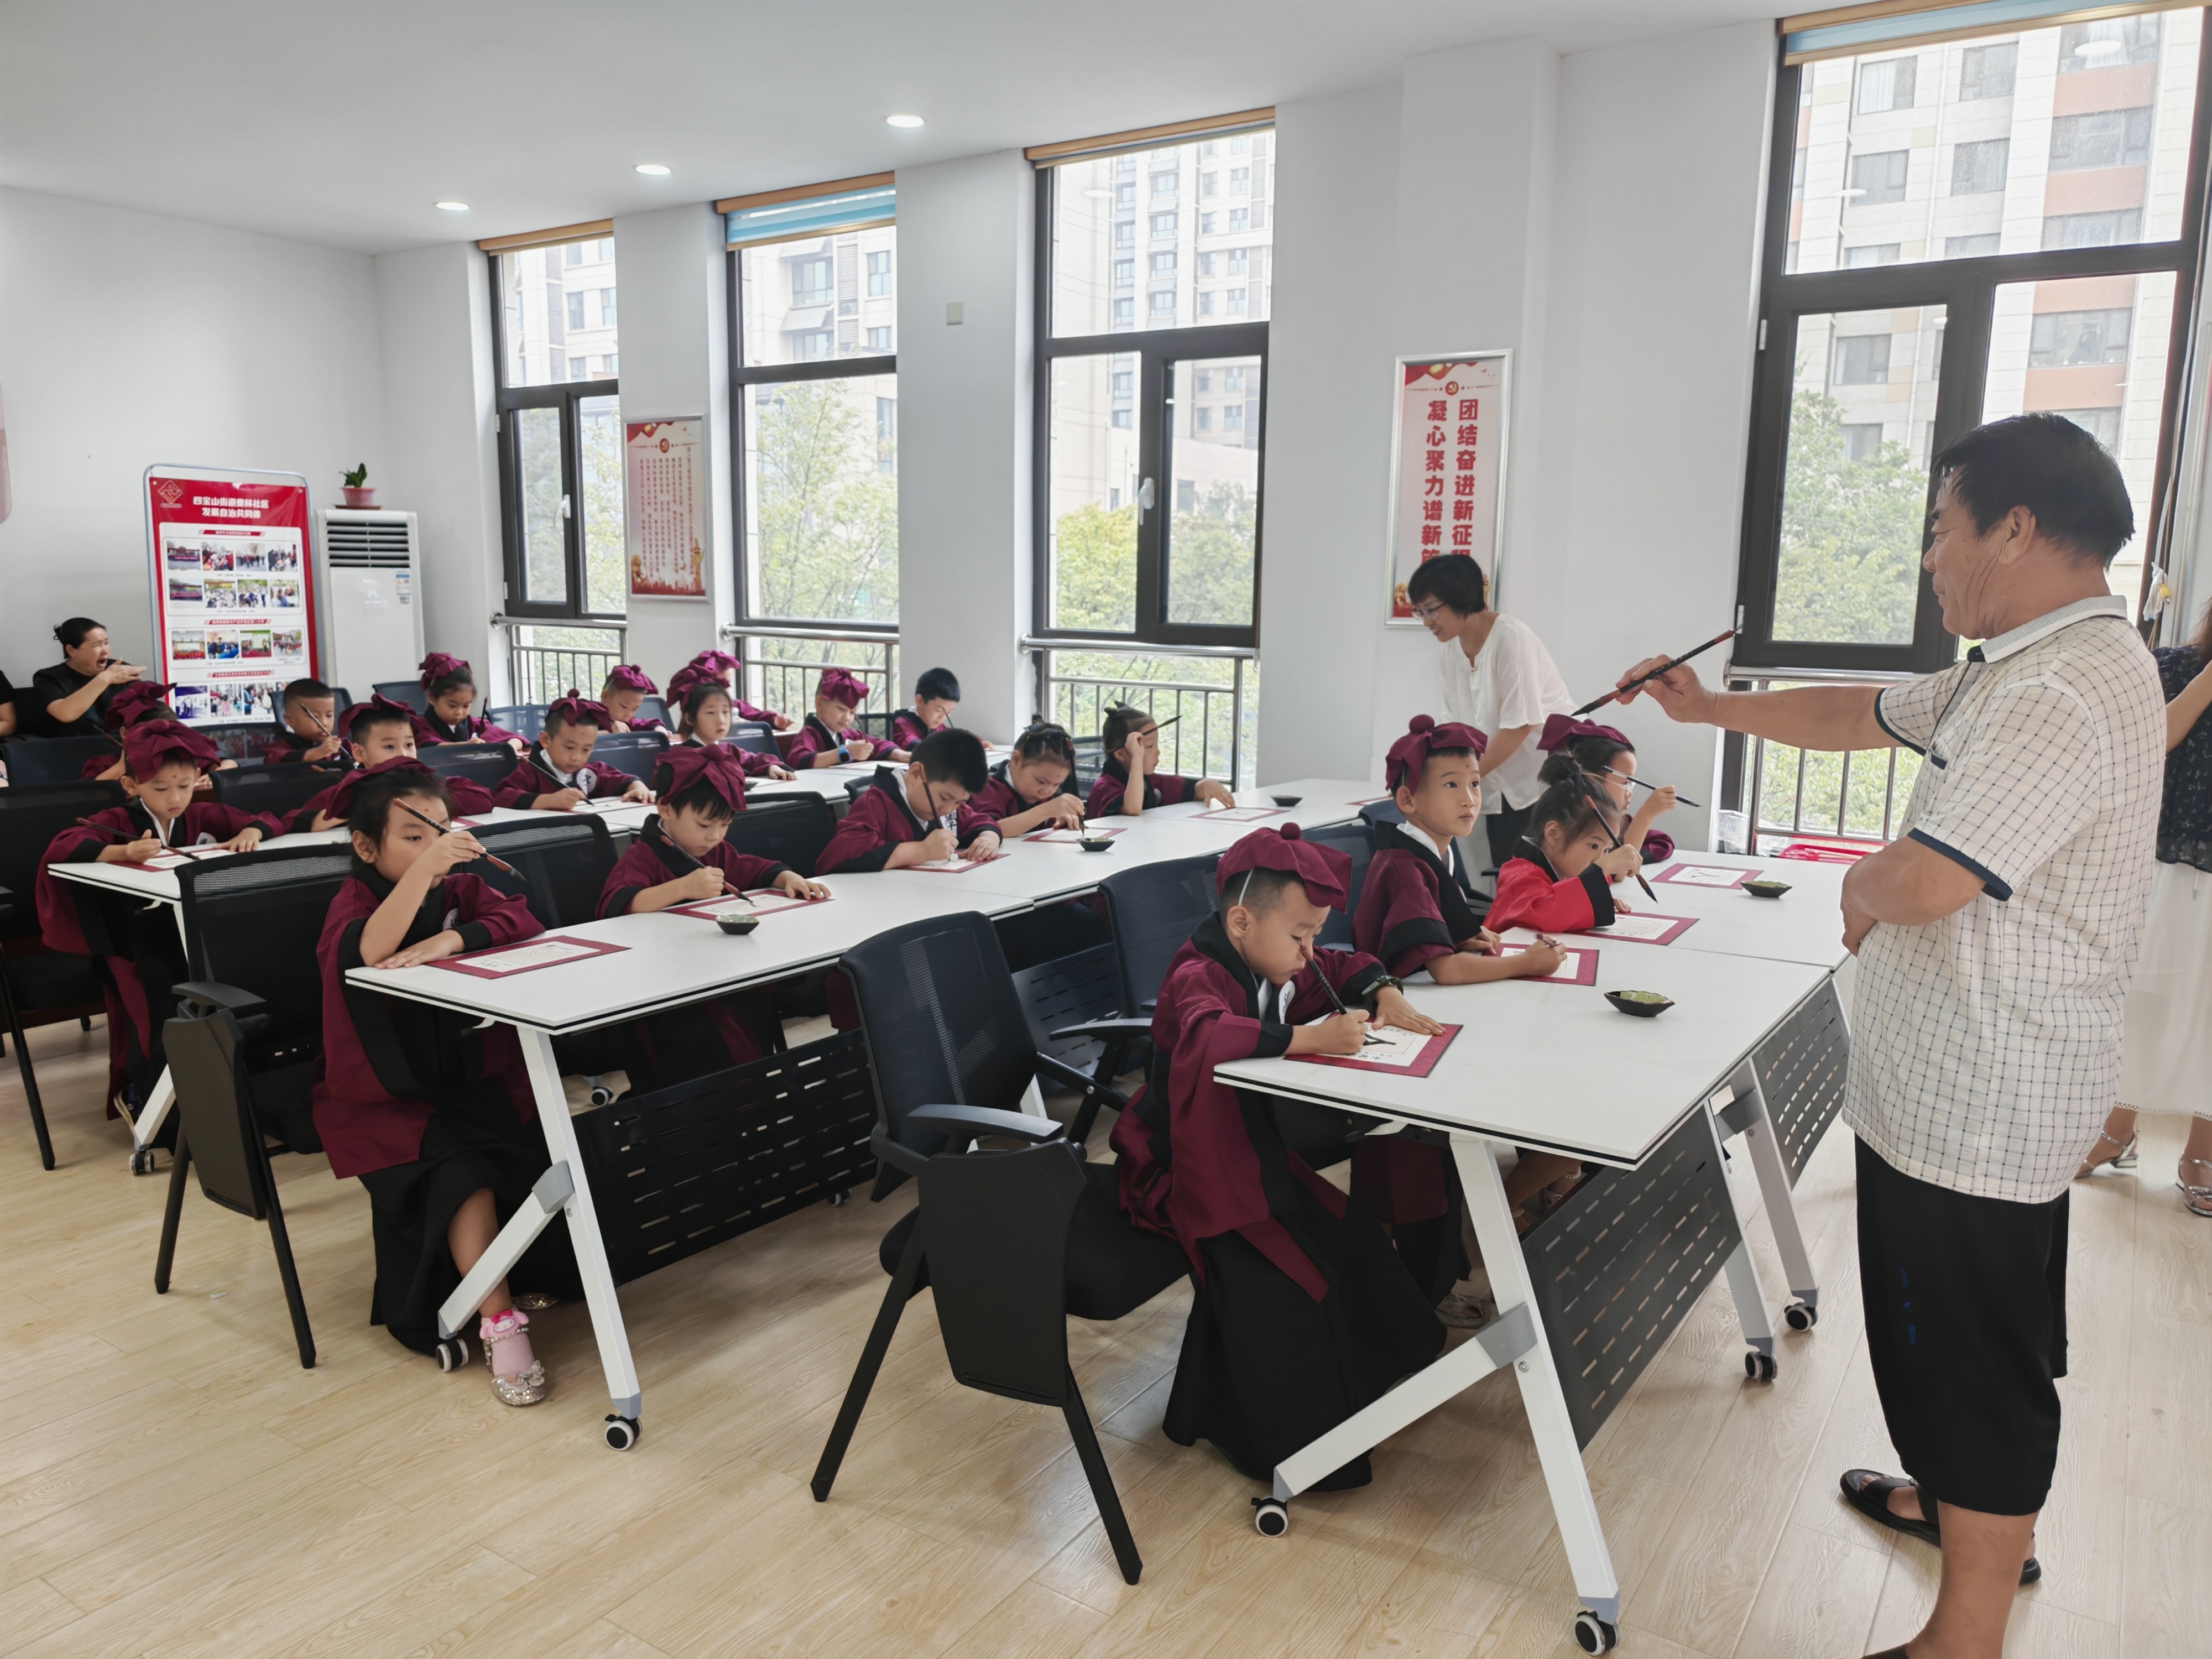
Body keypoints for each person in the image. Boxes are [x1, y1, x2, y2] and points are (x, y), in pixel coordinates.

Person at [1615, 414, 2163, 1658]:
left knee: (1966, 1358)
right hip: (1991, 1081)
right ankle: (1964, 1509)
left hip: (1978, 1097)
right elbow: (1863, 712)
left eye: (1938, 528)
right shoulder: (2030, 660)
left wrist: (1859, 886)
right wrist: (1709, 707)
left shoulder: (2056, 689)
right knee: (1986, 1332)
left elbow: (1926, 879)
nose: (1928, 559)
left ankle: (1962, 1633)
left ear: (2013, 529)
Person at [1109, 823, 1448, 1489]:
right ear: (1240, 922)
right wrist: (1310, 1039)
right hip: (1184, 1167)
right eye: (1299, 936)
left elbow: (1343, 966)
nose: (1309, 952)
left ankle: (1373, 1389)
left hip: (1248, 1149)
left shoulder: (1272, 963)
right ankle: (1302, 1453)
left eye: (1314, 934)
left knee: (1352, 1234)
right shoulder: (1197, 974)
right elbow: (1208, 1035)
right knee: (1294, 1287)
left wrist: (1385, 990)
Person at [312, 766, 573, 1402]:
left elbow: (521, 919)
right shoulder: (354, 902)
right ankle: (498, 1321)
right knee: (466, 1175)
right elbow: (370, 951)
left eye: (441, 832)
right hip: (384, 1097)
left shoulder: (458, 888)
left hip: (465, 1073)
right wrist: (429, 868)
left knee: (543, 1144)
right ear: (366, 846)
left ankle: (518, 1274)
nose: (433, 848)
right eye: (413, 837)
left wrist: (454, 937)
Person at [36, 721, 283, 1110]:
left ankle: (229, 1096)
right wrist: (122, 852)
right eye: (161, 788)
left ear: (198, 778)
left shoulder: (200, 815)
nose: (176, 798)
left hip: (193, 934)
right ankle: (151, 1102)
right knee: (158, 1017)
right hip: (133, 942)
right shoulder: (118, 821)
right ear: (131, 786)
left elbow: (267, 819)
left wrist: (251, 832)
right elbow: (65, 845)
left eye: (184, 786)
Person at [2075, 595, 2212, 1214]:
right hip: (2165, 859)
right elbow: (2151, 743)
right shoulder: (2173, 666)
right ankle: (2116, 1131)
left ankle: (2201, 1150)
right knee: (2142, 996)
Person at [594, 745, 830, 1087]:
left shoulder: (713, 851)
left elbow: (752, 868)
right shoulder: (641, 857)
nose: (715, 836)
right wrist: (683, 887)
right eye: (705, 824)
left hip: (713, 971)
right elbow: (621, 905)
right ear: (666, 809)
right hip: (664, 990)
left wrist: (788, 877)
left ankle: (751, 1091)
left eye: (725, 825)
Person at [1357, 715, 1567, 987]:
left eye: (1475, 784)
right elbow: (1446, 971)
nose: (1469, 800)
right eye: (1451, 785)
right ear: (1408, 800)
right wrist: (1526, 963)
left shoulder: (1437, 851)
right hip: (1394, 995)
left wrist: (1456, 937)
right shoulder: (1404, 869)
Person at [1407, 555, 1576, 875]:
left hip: (1545, 779)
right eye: (1421, 612)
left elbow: (1520, 725)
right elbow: (1455, 729)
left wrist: (1461, 779)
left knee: (1544, 877)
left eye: (1431, 610)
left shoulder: (1511, 637)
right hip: (1499, 784)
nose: (1427, 621)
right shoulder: (1451, 653)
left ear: (1460, 597)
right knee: (1509, 874)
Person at [815, 728, 1004, 872]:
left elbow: (980, 821)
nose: (949, 809)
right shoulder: (876, 804)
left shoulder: (948, 804)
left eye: (959, 802)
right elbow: (838, 857)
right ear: (916, 774)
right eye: (945, 798)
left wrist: (989, 838)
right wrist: (922, 851)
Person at [1484, 773, 1642, 935]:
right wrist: (1600, 873)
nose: (1601, 858)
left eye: (1607, 850)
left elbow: (1569, 897)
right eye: (1594, 846)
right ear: (1554, 834)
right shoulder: (1520, 875)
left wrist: (1592, 902)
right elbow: (1547, 915)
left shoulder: (1564, 866)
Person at [1535, 714, 1679, 864]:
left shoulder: (1615, 820)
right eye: (1625, 782)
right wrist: (1646, 814)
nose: (1630, 793)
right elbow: (1621, 868)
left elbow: (1661, 844)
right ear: (1593, 780)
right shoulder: (1573, 824)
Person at [489, 696, 652, 811]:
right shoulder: (529, 771)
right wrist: (547, 800)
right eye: (569, 748)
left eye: (586, 749)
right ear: (546, 740)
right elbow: (501, 797)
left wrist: (638, 787)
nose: (577, 758)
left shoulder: (591, 771)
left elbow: (622, 780)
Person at [1086, 703, 1234, 818]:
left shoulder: (1151, 781)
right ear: (1121, 754)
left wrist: (1207, 785)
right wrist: (1137, 758)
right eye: (1149, 746)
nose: (1158, 752)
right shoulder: (1106, 787)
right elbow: (1132, 809)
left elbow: (1190, 790)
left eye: (1156, 744)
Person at [32, 617, 144, 738]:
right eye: (97, 645)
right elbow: (66, 714)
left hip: (121, 744)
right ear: (71, 651)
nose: (105, 651)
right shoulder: (48, 678)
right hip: (72, 746)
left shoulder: (120, 671)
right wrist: (104, 679)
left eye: (106, 643)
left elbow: (144, 711)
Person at [972, 721, 1087, 837]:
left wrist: (1060, 818)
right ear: (1016, 760)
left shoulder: (1039, 793)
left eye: (1057, 785)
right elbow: (988, 829)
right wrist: (1046, 811)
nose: (1047, 792)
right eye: (1041, 781)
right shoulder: (987, 789)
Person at [672, 679, 796, 782]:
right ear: (689, 718)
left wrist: (771, 767)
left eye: (726, 712)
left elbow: (755, 760)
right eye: (711, 713)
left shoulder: (728, 750)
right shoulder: (679, 757)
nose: (721, 720)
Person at [412, 653, 521, 749]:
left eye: (466, 706)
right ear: (432, 698)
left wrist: (509, 748)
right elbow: (432, 748)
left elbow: (516, 739)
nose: (459, 712)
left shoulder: (474, 724)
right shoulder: (420, 727)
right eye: (452, 706)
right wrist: (467, 746)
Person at [782, 668, 880, 770]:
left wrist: (893, 753)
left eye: (852, 712)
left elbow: (878, 744)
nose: (847, 718)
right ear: (819, 704)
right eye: (841, 709)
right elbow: (800, 761)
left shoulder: (848, 734)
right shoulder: (808, 734)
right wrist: (846, 752)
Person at [673, 649, 790, 731]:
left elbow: (757, 715)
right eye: (719, 686)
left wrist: (774, 720)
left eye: (727, 686)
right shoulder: (694, 709)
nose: (724, 692)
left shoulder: (735, 705)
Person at [263, 677, 345, 764]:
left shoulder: (337, 745)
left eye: (329, 716)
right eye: (315, 717)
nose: (324, 723)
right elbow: (274, 759)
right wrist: (316, 753)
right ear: (290, 720)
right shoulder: (281, 745)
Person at [886, 666, 959, 758]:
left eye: (949, 712)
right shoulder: (903, 724)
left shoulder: (939, 727)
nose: (943, 717)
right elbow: (913, 745)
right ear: (920, 701)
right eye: (939, 710)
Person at [598, 665, 661, 733]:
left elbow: (650, 723)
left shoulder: (627, 723)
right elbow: (588, 735)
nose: (628, 715)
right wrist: (608, 732)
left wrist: (659, 729)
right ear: (604, 697)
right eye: (624, 706)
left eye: (634, 709)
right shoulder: (591, 719)